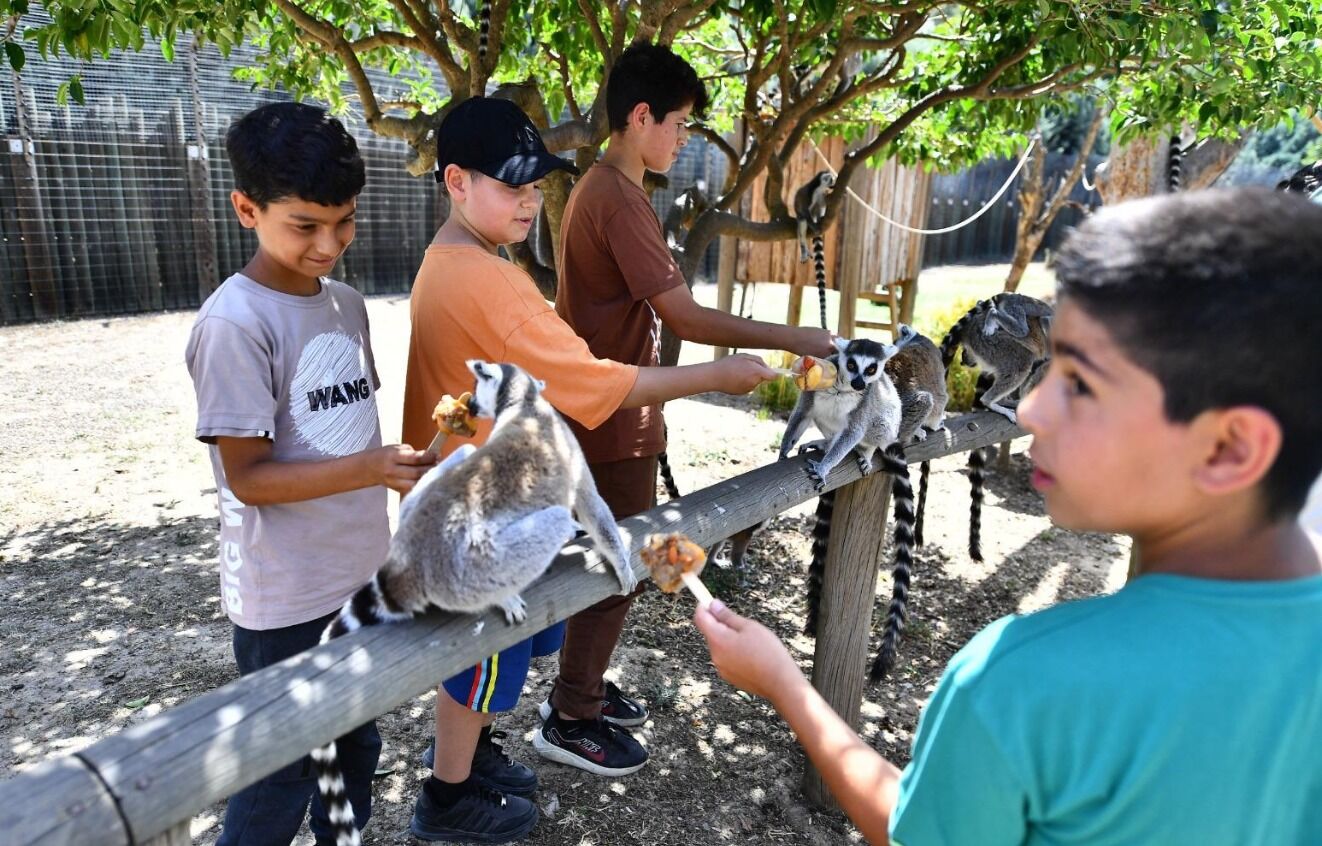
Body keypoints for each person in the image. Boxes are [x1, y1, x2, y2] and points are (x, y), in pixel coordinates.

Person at [694, 187, 1322, 845]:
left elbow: (912, 831)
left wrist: (788, 689)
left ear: (1228, 448)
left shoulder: (1021, 682)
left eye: (1080, 386)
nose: (1029, 411)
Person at [401, 95, 780, 843]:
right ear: (455, 181)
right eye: (511, 186)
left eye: (534, 184)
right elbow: (596, 381)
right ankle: (447, 796)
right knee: (481, 658)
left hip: (489, 495)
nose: (529, 201)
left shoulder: (458, 259)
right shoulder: (490, 281)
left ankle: (470, 759)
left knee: (507, 650)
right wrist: (715, 375)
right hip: (477, 518)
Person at [542, 40, 838, 778]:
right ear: (640, 117)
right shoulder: (613, 194)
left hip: (617, 406)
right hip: (609, 414)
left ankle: (581, 693)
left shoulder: (610, 190)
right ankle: (571, 713)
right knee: (615, 569)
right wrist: (796, 336)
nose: (682, 139)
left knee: (622, 565)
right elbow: (687, 316)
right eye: (678, 123)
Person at [184, 101, 436, 846]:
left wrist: (396, 469)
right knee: (283, 767)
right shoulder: (235, 324)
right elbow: (251, 478)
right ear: (246, 209)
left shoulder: (347, 306)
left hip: (359, 576)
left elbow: (346, 428)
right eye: (305, 226)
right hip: (284, 597)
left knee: (356, 742)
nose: (330, 245)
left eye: (345, 221)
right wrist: (369, 467)